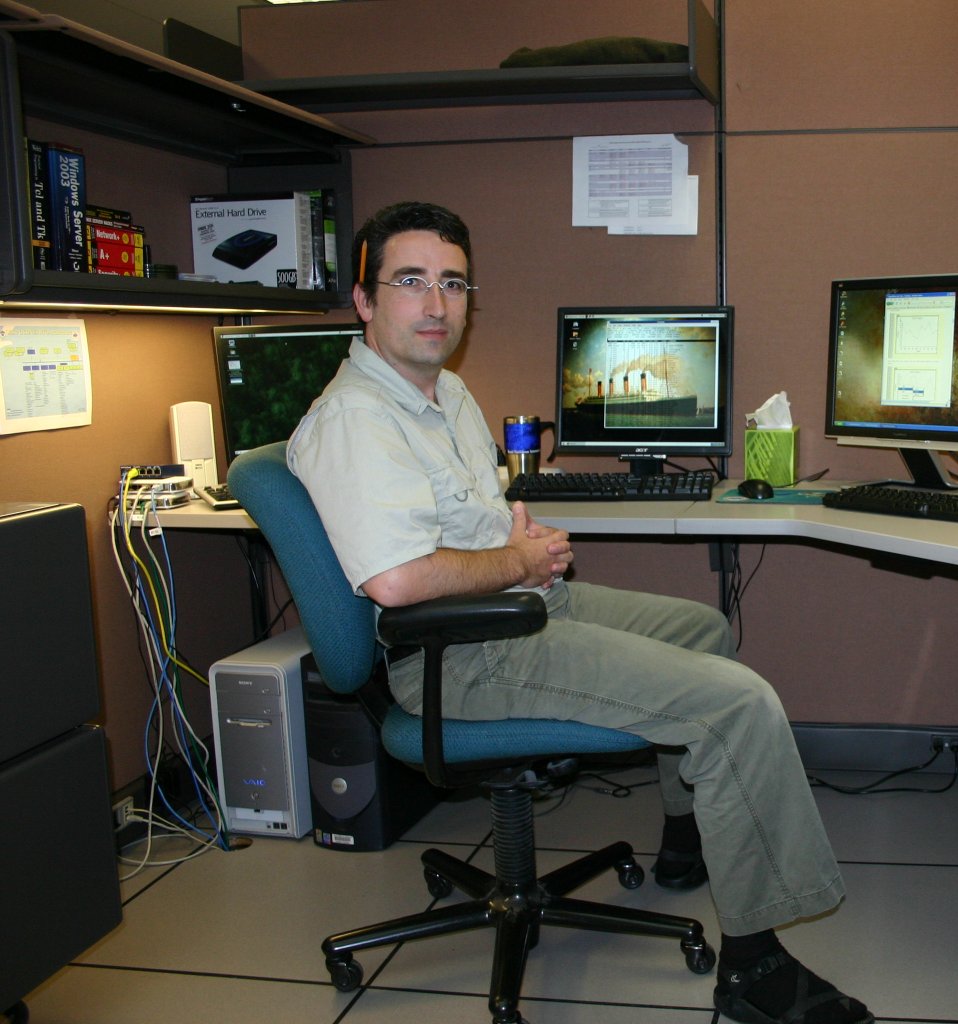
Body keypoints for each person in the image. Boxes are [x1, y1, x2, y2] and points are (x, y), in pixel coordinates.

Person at [288, 200, 873, 1024]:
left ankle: (685, 835)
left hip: (512, 607)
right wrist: (518, 561)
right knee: (738, 704)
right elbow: (396, 581)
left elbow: (473, 513)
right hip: (461, 655)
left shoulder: (441, 392)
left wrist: (519, 540)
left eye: (452, 283)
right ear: (363, 299)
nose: (436, 304)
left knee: (707, 630)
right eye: (410, 281)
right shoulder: (358, 419)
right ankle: (755, 968)